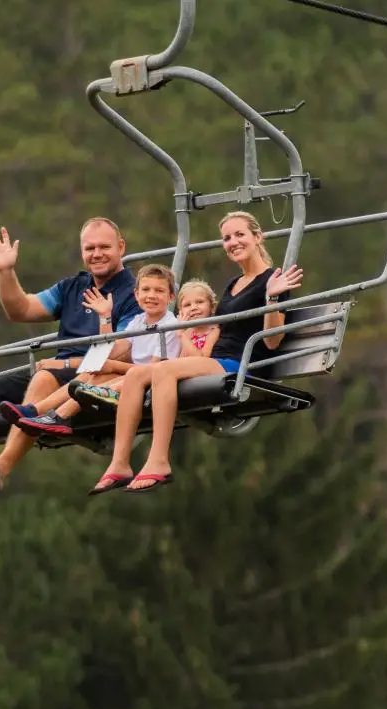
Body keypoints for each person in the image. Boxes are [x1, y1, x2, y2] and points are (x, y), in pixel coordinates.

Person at [0, 217, 138, 534]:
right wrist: (5, 272)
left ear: (121, 247)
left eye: (104, 247)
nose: (97, 253)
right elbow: (21, 309)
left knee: (44, 377)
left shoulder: (136, 292)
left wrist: (60, 367)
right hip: (60, 366)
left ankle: (1, 467)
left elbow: (121, 352)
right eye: (90, 248)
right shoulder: (73, 287)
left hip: (95, 373)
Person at [89, 211, 303, 496]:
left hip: (241, 365)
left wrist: (272, 298)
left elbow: (274, 341)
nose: (233, 242)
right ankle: (120, 463)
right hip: (216, 358)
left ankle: (159, 461)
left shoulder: (273, 280)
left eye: (240, 235)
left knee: (164, 370)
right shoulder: (233, 284)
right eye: (227, 238)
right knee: (138, 374)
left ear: (258, 236)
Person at [4, 263, 182, 436]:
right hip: (134, 375)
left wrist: (113, 366)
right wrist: (105, 317)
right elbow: (111, 352)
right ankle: (37, 410)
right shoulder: (138, 321)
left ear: (171, 297)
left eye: (159, 291)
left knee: (99, 377)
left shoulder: (169, 326)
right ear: (136, 294)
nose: (151, 296)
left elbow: (156, 371)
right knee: (93, 373)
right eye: (146, 290)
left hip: (152, 380)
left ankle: (61, 416)